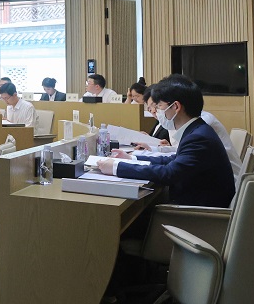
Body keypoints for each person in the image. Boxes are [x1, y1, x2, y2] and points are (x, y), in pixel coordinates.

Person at [97, 76, 235, 208]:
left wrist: (117, 167)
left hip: (199, 211)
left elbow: (169, 173)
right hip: (196, 198)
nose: (157, 112)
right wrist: (131, 158)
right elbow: (173, 159)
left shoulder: (198, 137)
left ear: (176, 106)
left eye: (159, 106)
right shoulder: (196, 129)